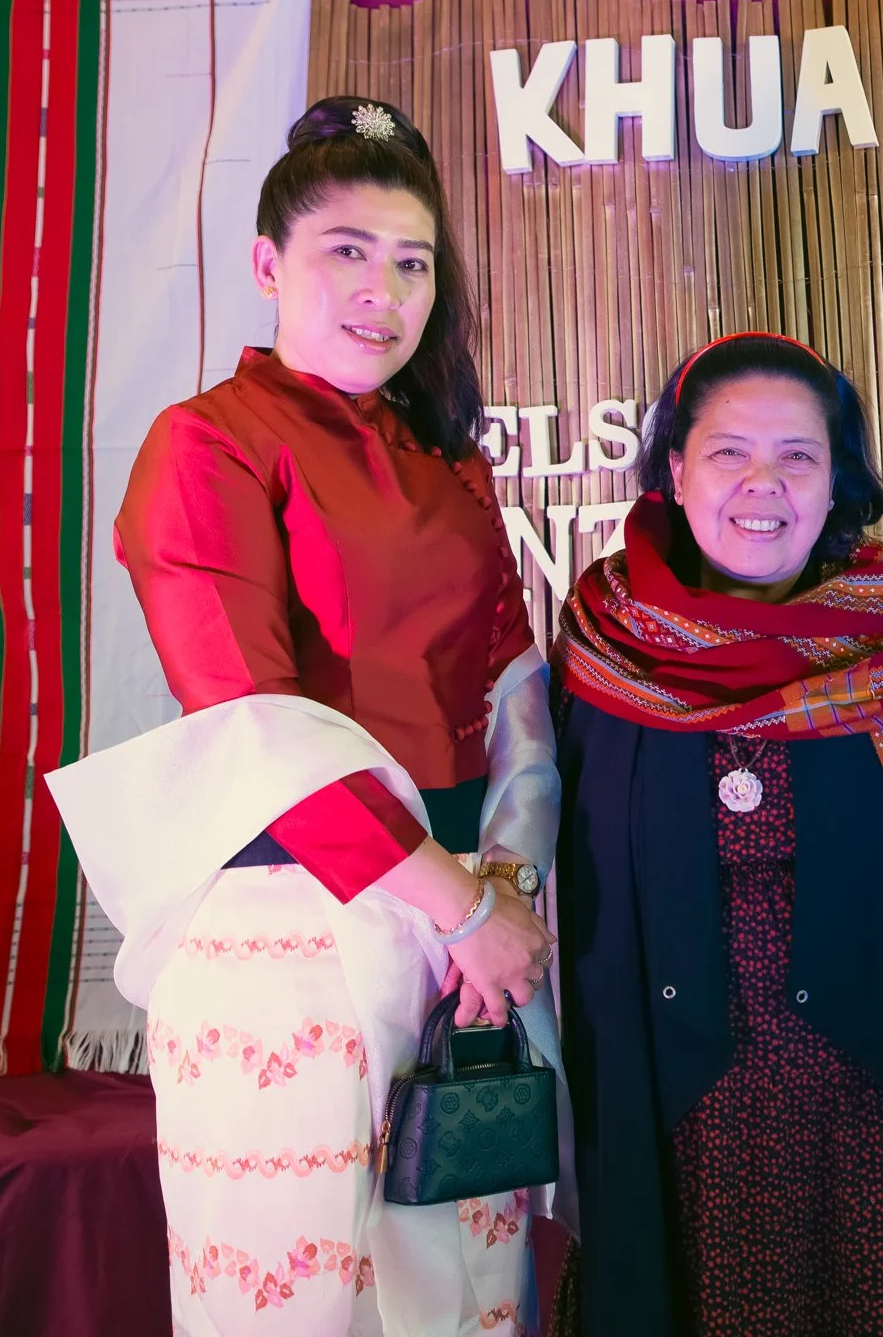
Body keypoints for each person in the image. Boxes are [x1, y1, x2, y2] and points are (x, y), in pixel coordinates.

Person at [53, 96, 563, 1335]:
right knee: (295, 1297)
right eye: (348, 251)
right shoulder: (208, 444)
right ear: (267, 264)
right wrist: (461, 910)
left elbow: (514, 698)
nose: (383, 290)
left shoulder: (452, 464)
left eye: (413, 263)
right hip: (286, 930)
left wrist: (503, 890)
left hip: (465, 943)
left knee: (464, 1294)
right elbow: (250, 721)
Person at [552, 332, 883, 1336]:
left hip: (874, 1090)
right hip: (672, 1089)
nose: (765, 483)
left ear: (838, 479)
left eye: (798, 455)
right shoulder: (610, 641)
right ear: (675, 471)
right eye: (729, 453)